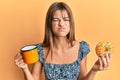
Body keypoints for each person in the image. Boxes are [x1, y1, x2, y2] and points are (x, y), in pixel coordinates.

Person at [14, 2, 112, 80]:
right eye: (56, 20)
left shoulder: (81, 48)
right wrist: (25, 69)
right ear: (49, 24)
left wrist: (94, 70)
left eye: (66, 19)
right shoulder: (40, 51)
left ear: (71, 23)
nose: (61, 24)